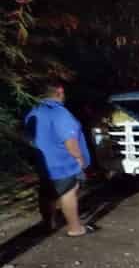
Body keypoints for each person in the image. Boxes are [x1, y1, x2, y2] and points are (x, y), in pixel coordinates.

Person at [25, 82, 97, 236]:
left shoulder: (33, 111)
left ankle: (48, 225)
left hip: (44, 164)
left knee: (47, 194)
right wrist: (79, 157)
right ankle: (75, 228)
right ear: (59, 91)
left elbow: (29, 138)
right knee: (69, 193)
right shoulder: (59, 112)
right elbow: (69, 139)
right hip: (63, 163)